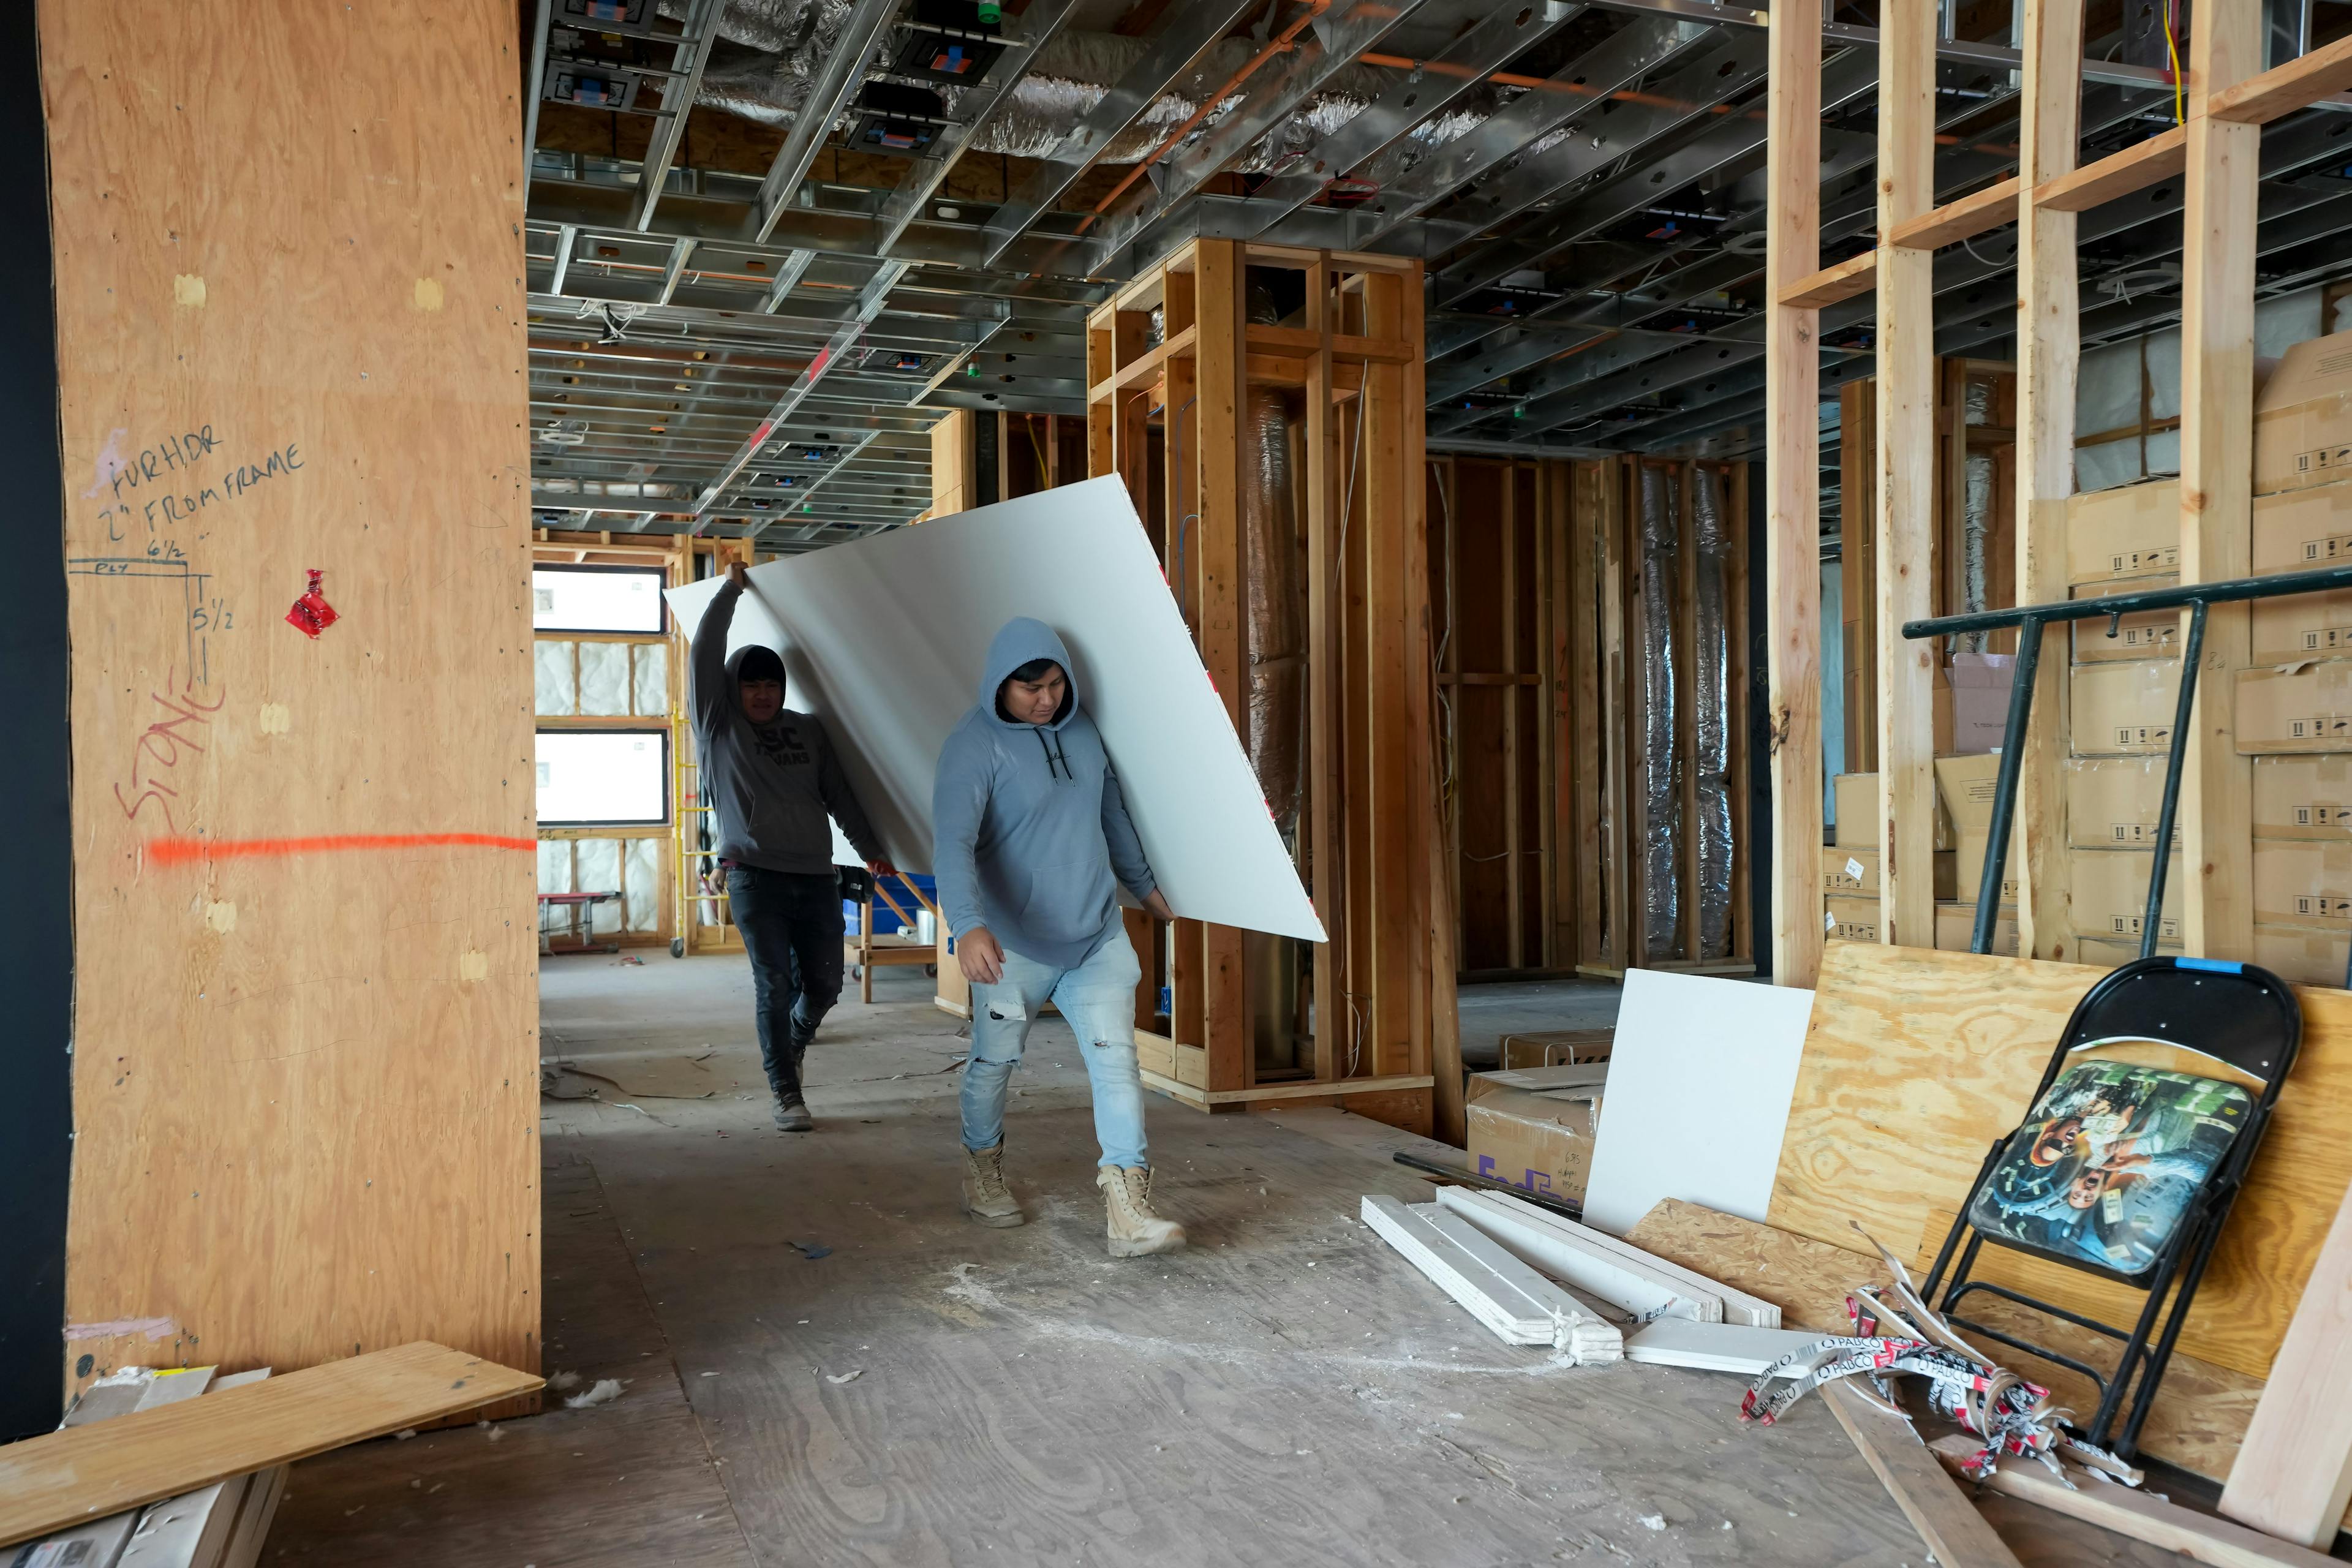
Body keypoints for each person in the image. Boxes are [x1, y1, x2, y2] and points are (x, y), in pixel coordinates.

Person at [933, 617, 1185, 1257]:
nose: (1046, 699)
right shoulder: (972, 745)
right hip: (1012, 943)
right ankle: (981, 1165)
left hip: (1095, 933)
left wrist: (1148, 889)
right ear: (1000, 686)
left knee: (1117, 1064)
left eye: (1054, 684)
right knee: (995, 1063)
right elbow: (953, 844)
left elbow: (1114, 816)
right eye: (1030, 689)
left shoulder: (1082, 732)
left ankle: (1127, 1206)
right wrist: (967, 925)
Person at [692, 560, 894, 1133]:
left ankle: (797, 1042)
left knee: (827, 983)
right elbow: (705, 651)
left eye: (770, 683)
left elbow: (840, 795)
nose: (761, 693)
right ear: (735, 688)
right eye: (751, 684)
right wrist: (730, 592)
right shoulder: (718, 726)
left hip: (814, 874)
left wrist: (870, 847)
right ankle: (785, 1089)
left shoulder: (808, 729)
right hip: (753, 874)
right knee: (774, 982)